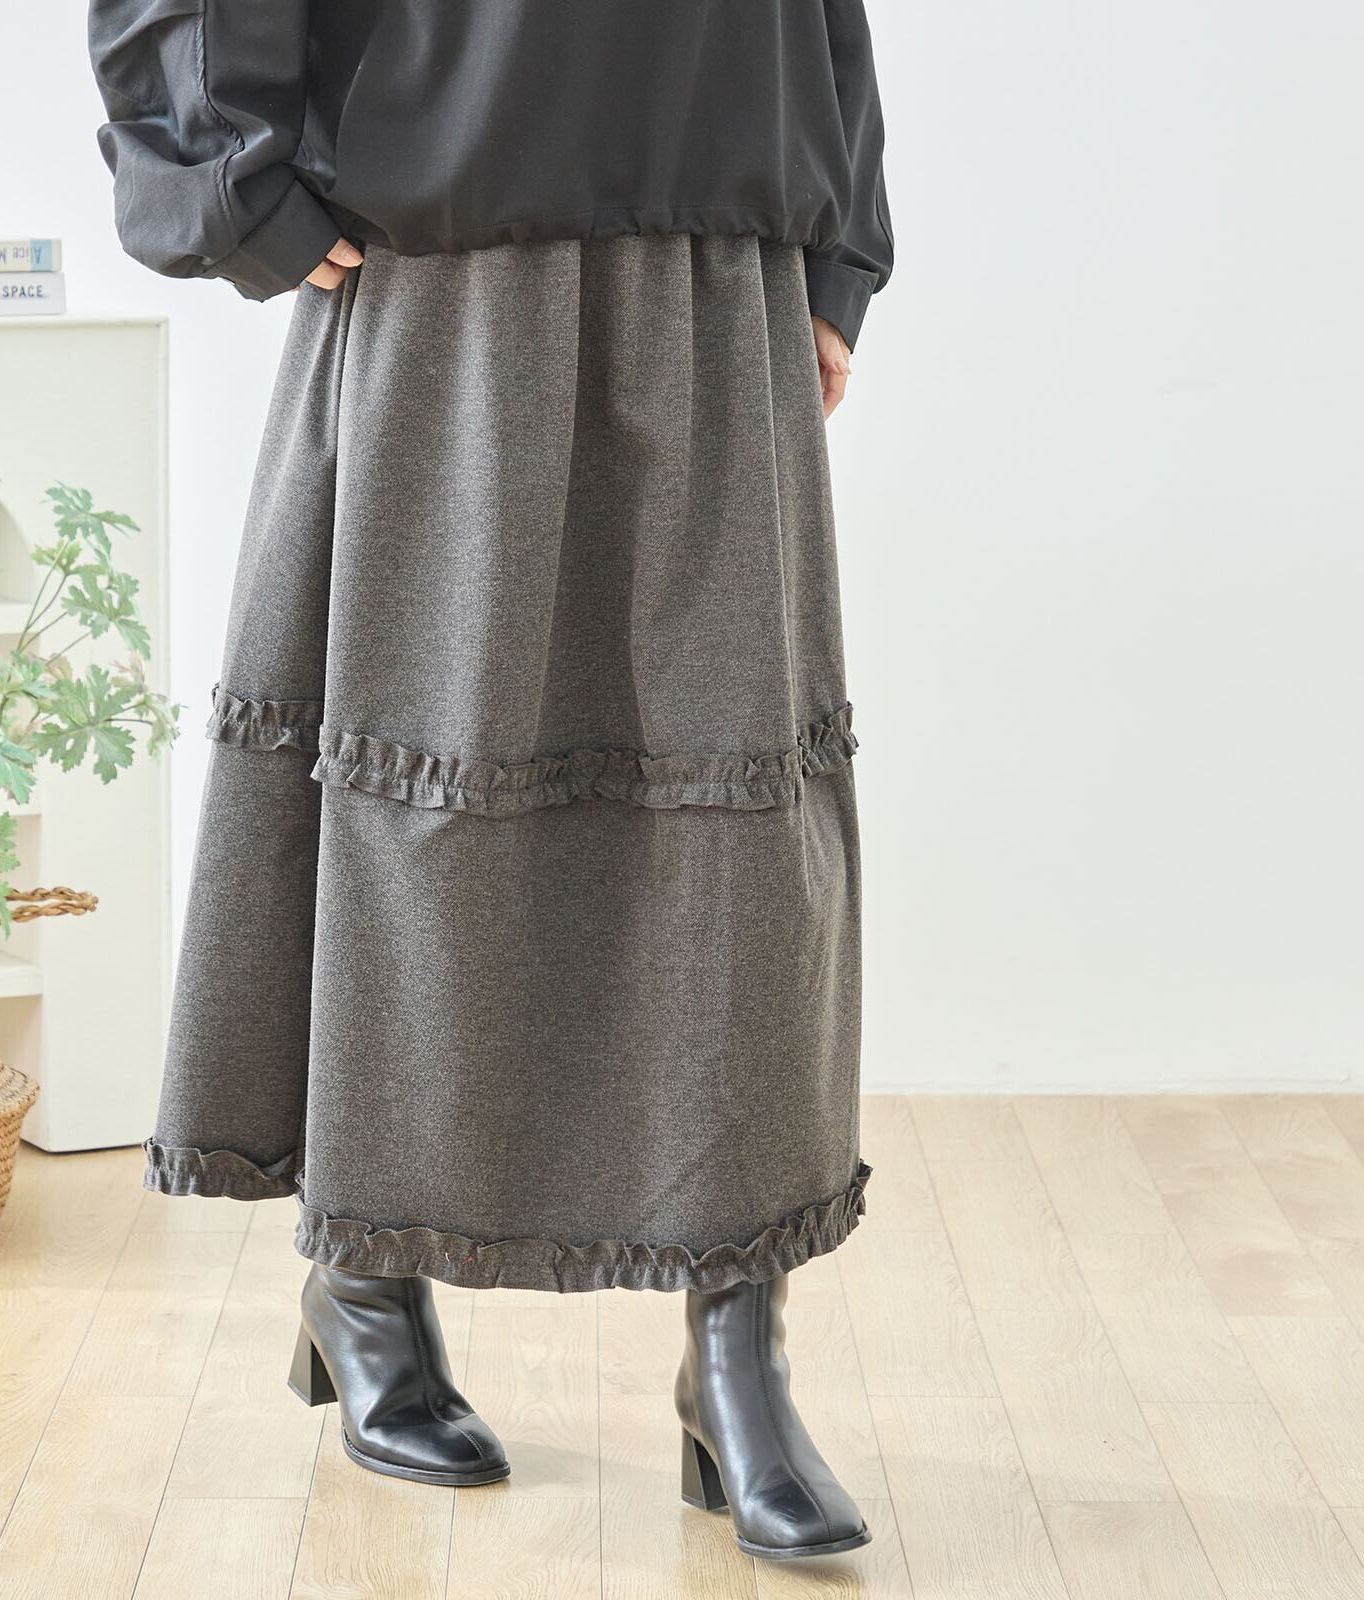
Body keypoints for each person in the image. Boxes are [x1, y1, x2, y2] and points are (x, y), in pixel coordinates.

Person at [88, 0, 892, 1561]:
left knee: (738, 842)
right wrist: (228, 176)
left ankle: (740, 1357)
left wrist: (833, 244)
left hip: (722, 248)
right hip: (448, 251)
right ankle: (367, 1283)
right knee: (424, 806)